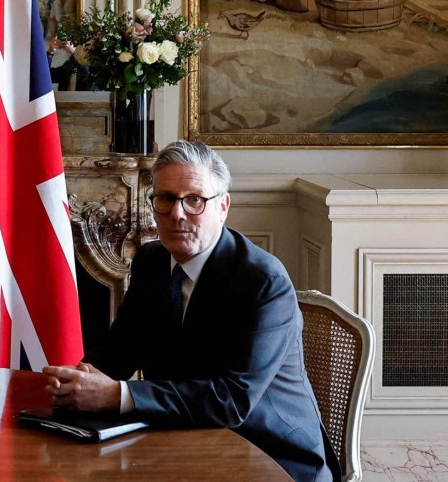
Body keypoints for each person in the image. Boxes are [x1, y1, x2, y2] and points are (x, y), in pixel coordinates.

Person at [43, 140, 339, 482]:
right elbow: (120, 349)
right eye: (166, 198)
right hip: (178, 435)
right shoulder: (152, 261)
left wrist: (116, 395)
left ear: (223, 206)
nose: (177, 213)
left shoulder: (262, 281)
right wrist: (80, 378)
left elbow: (231, 400)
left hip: (269, 453)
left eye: (194, 199)